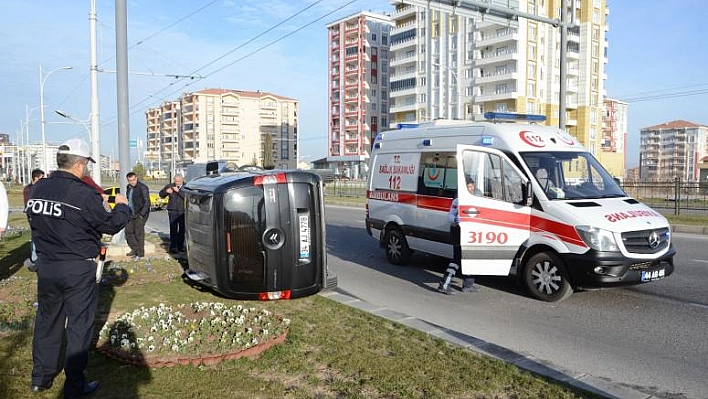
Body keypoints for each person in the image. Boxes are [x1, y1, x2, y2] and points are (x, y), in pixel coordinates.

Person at [27, 138, 130, 398]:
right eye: (86, 166)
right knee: (79, 326)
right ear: (80, 165)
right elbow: (109, 224)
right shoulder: (83, 194)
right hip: (77, 269)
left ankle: (41, 377)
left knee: (47, 322)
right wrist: (123, 207)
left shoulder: (37, 190)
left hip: (48, 267)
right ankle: (74, 385)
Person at [437, 177, 479, 294]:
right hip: (458, 232)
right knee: (457, 259)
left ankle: (468, 284)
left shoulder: (475, 199)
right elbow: (450, 215)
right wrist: (455, 219)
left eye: (472, 186)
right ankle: (444, 284)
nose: (471, 188)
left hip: (469, 232)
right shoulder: (458, 200)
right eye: (469, 186)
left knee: (469, 257)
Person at [23, 169, 45, 270]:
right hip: (33, 216)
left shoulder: (41, 187)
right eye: (42, 178)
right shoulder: (29, 189)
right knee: (35, 237)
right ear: (35, 178)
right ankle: (35, 259)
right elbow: (29, 205)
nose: (44, 180)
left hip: (42, 216)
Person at [125, 172, 150, 259]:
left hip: (140, 213)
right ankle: (135, 249)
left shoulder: (143, 188)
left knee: (138, 232)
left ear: (136, 178)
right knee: (128, 231)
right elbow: (128, 200)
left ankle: (140, 252)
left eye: (133, 180)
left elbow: (147, 202)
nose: (132, 182)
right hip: (131, 213)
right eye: (130, 180)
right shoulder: (128, 187)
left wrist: (141, 215)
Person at [159, 174, 186, 253]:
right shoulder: (170, 186)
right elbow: (161, 194)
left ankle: (180, 246)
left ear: (182, 180)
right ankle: (173, 246)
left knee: (182, 229)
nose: (176, 183)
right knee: (173, 229)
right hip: (172, 210)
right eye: (175, 181)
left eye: (178, 181)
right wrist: (166, 192)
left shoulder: (186, 187)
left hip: (182, 211)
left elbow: (187, 196)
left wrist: (179, 191)